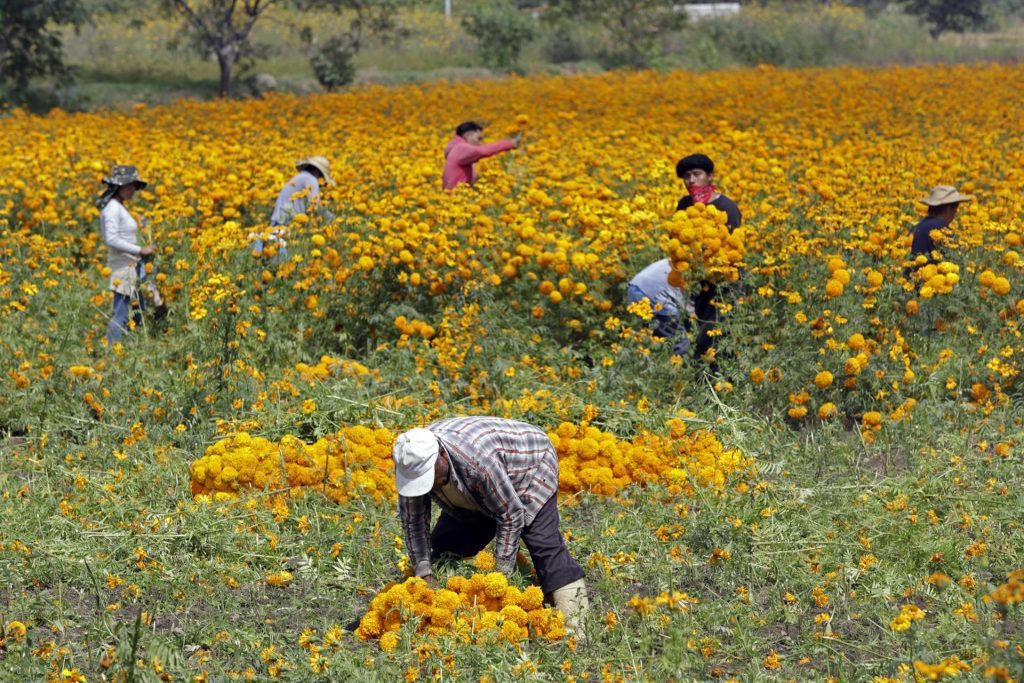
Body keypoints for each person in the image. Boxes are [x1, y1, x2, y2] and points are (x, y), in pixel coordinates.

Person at [393, 416, 589, 633]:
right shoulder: (409, 463)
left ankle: (576, 626)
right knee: (443, 549)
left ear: (441, 455)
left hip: (530, 466)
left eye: (427, 475)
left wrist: (500, 577)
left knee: (543, 544)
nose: (424, 482)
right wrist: (424, 574)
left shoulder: (477, 462)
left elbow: (511, 515)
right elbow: (414, 522)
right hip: (483, 486)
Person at [98, 165, 160, 345]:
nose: (133, 190)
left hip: (131, 266)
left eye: (134, 186)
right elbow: (111, 239)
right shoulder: (112, 208)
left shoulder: (118, 207)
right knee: (121, 313)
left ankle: (136, 345)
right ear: (120, 186)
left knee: (138, 308)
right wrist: (140, 250)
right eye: (130, 186)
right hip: (123, 267)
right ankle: (109, 350)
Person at [254, 156, 335, 257]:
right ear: (319, 172)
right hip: (287, 226)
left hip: (277, 224)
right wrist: (332, 220)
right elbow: (315, 206)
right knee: (283, 263)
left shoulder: (300, 177)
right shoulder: (311, 180)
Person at [627, 259, 693, 356]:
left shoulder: (681, 255)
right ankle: (678, 368)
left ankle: (650, 365)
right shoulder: (701, 268)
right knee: (680, 340)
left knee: (653, 341)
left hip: (636, 288)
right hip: (655, 295)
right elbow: (691, 308)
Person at [907, 185, 973, 269]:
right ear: (948, 209)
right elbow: (953, 260)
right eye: (955, 207)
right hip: (933, 278)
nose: (956, 211)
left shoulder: (918, 226)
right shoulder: (943, 229)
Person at [442, 121, 520, 190]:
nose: (481, 144)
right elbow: (481, 151)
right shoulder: (461, 148)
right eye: (478, 139)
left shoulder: (455, 148)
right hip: (457, 198)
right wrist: (509, 144)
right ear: (467, 135)